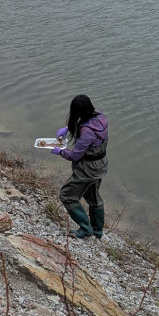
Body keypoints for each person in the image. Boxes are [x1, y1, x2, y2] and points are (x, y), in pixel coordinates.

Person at [51, 94, 108, 239]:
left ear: (77, 112)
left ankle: (85, 228)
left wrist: (60, 151)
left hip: (87, 170)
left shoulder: (87, 132)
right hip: (100, 166)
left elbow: (75, 155)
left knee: (67, 196)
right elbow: (85, 124)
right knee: (93, 198)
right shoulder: (101, 117)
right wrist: (67, 129)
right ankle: (97, 231)